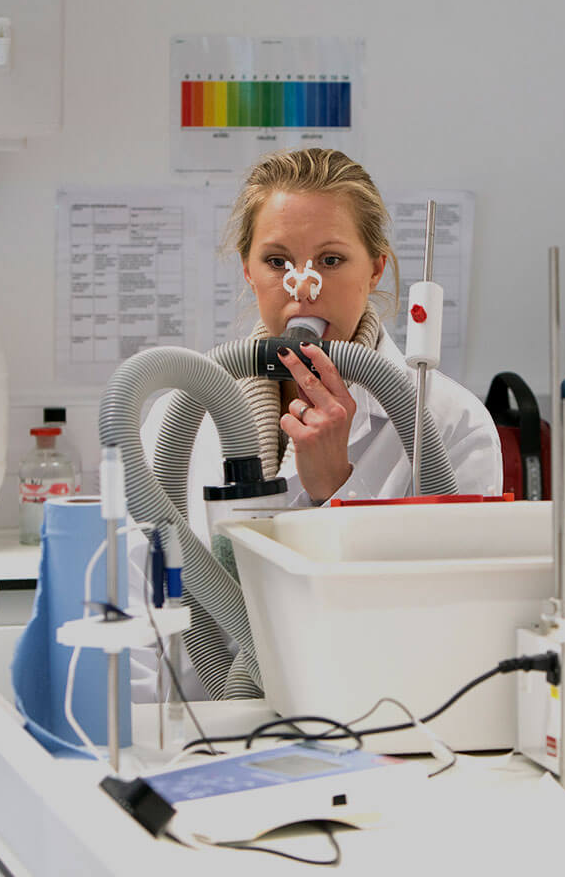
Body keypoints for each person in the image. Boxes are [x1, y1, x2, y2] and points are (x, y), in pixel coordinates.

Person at [134, 147, 503, 697]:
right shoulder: (179, 418)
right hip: (207, 728)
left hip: (370, 723)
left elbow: (451, 626)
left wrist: (333, 492)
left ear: (376, 267)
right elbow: (137, 608)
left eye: (330, 261)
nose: (302, 286)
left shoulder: (449, 426)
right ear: (248, 271)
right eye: (277, 261)